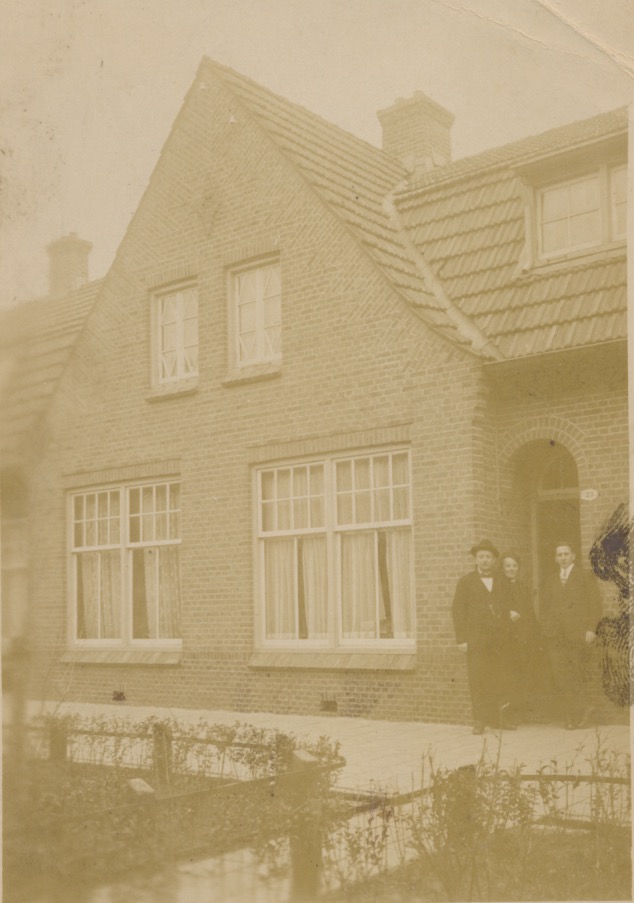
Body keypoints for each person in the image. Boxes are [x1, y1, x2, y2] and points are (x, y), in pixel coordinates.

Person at [452, 539, 516, 734]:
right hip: (476, 641)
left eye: (488, 557)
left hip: (500, 640)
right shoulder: (466, 582)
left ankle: (501, 719)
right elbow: (458, 611)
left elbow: (510, 605)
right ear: (476, 560)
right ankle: (479, 720)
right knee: (478, 679)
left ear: (494, 560)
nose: (485, 560)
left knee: (502, 677)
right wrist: (462, 639)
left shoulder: (503, 581)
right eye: (481, 557)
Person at [540, 542, 602, 729]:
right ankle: (570, 715)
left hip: (577, 634)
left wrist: (591, 629)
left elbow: (595, 604)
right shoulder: (551, 580)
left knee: (576, 672)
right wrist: (547, 629)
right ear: (555, 558)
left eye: (566, 554)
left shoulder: (584, 576)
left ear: (573, 556)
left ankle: (580, 712)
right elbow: (545, 608)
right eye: (559, 555)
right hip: (555, 636)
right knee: (561, 675)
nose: (563, 558)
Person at [499, 552, 541, 723]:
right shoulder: (498, 586)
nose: (511, 569)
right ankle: (506, 716)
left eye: (514, 565)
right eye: (508, 566)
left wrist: (536, 634)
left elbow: (529, 612)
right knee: (508, 676)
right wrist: (506, 613)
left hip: (522, 638)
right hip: (506, 639)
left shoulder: (522, 586)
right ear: (502, 568)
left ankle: (519, 713)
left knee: (522, 674)